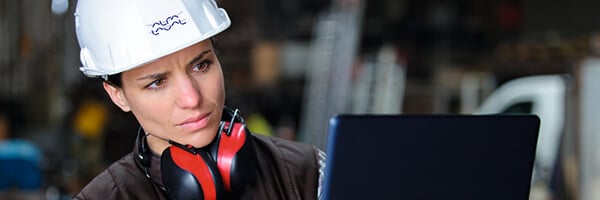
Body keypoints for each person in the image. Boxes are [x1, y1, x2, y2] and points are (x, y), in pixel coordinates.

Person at [72, 0, 325, 199]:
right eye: (158, 82)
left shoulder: (309, 173)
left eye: (201, 66)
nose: (191, 98)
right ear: (118, 96)